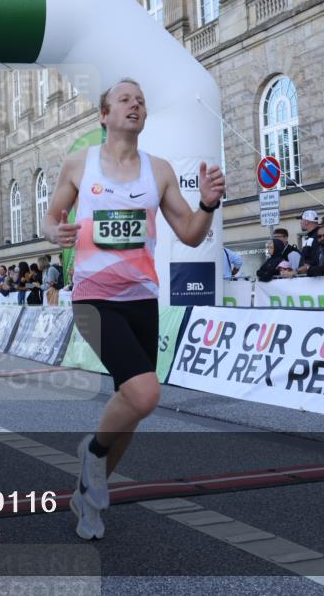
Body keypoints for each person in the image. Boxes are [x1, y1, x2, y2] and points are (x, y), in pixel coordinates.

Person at [41, 78, 225, 541]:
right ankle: (93, 452)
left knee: (133, 409)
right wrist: (54, 234)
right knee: (144, 395)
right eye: (125, 99)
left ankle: (87, 494)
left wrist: (207, 202)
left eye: (140, 100)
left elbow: (191, 233)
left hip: (142, 298)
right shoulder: (79, 165)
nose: (135, 105)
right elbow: (52, 218)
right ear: (104, 114)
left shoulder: (158, 170)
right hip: (93, 298)